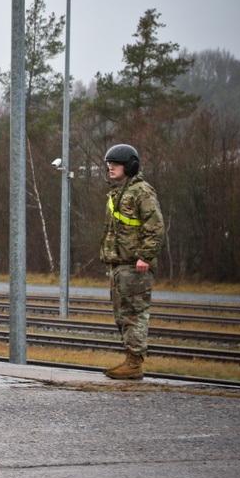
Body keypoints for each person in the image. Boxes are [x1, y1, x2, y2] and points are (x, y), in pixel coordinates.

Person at [100, 143, 165, 380]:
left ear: (130, 166)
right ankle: (130, 359)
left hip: (135, 265)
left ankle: (135, 362)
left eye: (116, 164)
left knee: (134, 314)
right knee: (122, 315)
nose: (111, 168)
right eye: (109, 164)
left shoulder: (141, 192)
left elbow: (155, 227)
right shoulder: (119, 193)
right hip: (119, 265)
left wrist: (145, 256)